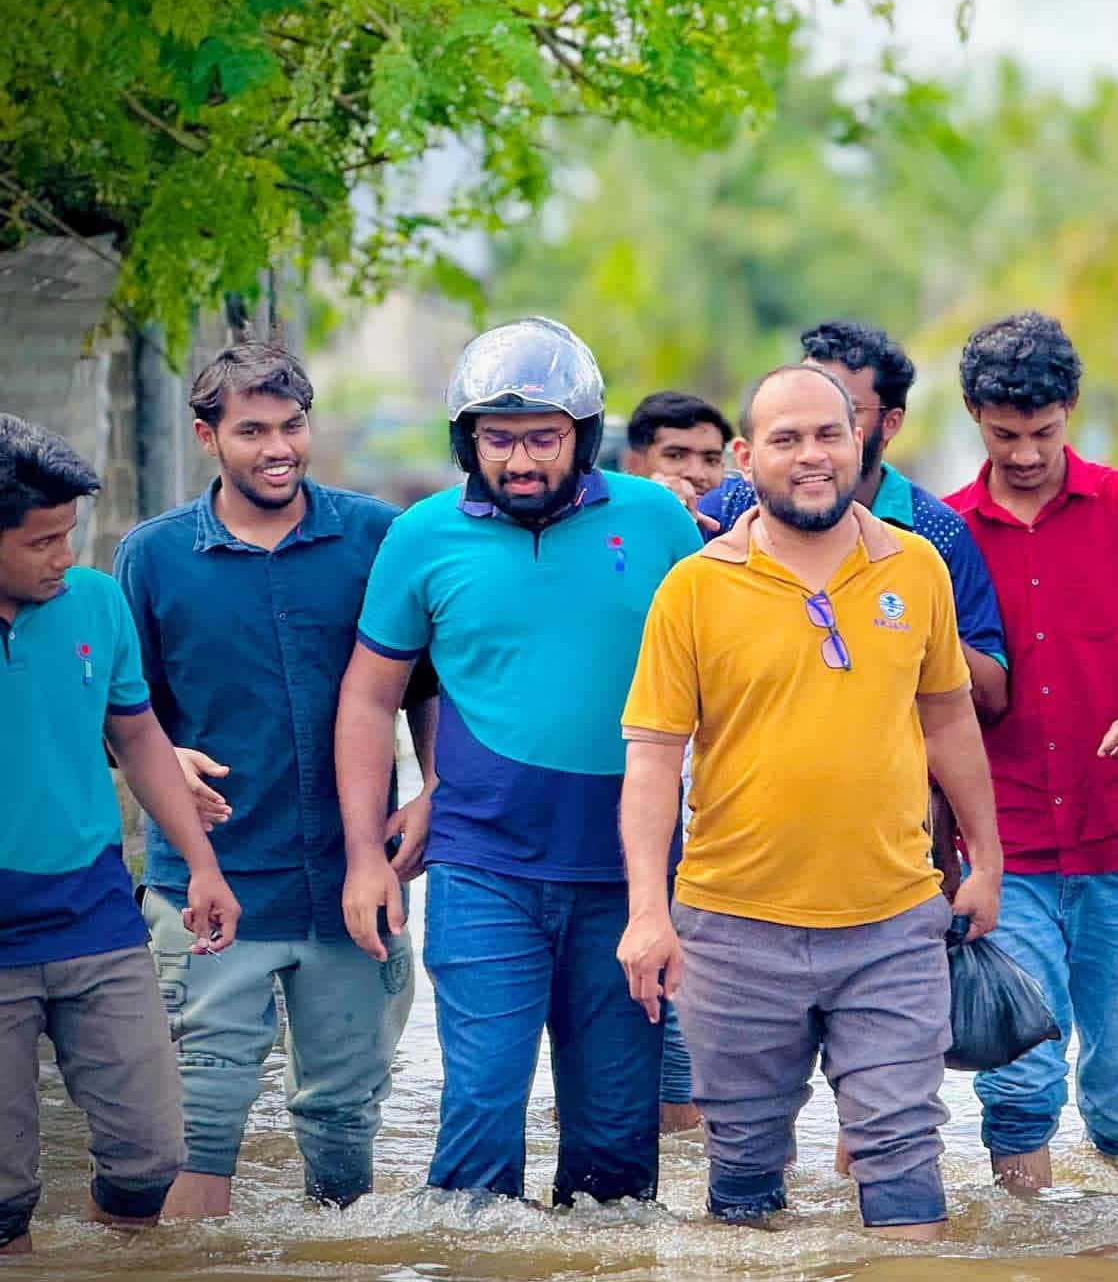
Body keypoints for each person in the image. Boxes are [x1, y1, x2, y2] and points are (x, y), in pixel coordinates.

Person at [616, 364, 1003, 1238]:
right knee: (744, 1177)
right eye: (785, 439)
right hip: (733, 928)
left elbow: (949, 719)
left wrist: (986, 860)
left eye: (828, 434)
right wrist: (647, 912)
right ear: (746, 457)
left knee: (903, 1162)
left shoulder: (917, 565)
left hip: (893, 921)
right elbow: (653, 759)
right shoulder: (694, 588)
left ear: (858, 440)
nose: (811, 455)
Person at [335, 318, 702, 1206]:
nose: (521, 460)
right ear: (467, 441)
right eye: (497, 439)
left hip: (629, 881)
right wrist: (363, 857)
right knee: (478, 1130)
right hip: (482, 869)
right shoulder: (422, 537)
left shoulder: (657, 521)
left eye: (544, 438)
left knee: (617, 1161)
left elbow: (722, 679)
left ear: (585, 435)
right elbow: (369, 698)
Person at [114, 343, 435, 1217]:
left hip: (352, 882)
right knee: (197, 1124)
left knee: (345, 1129)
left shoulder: (378, 538)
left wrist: (433, 787)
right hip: (208, 886)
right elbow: (121, 712)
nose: (279, 448)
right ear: (207, 437)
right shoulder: (152, 557)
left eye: (292, 426)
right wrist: (167, 758)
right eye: (252, 431)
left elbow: (426, 685)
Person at [942, 311, 1118, 1193]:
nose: (1027, 453)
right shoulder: (946, 532)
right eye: (1005, 434)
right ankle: (1027, 1251)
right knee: (1017, 1080)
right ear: (974, 414)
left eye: (1043, 432)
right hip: (1002, 848)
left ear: (1070, 409)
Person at [1, 415, 240, 1254]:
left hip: (95, 917)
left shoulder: (97, 603)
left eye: (70, 534)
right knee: (3, 1198)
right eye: (41, 542)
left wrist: (203, 865)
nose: (64, 555)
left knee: (150, 1160)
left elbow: (138, 737)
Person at [699, 321, 1008, 723]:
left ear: (889, 423)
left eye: (843, 410)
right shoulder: (725, 509)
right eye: (804, 395)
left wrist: (908, 615)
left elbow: (988, 697)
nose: (813, 442)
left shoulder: (934, 533)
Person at [622, 389, 737, 1134]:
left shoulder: (741, 547)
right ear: (636, 463)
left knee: (694, 1026)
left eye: (709, 458)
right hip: (620, 799)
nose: (694, 472)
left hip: (713, 818)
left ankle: (692, 1161)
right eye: (675, 456)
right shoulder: (606, 540)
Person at [623, 391, 733, 511]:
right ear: (634, 464)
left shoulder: (739, 516)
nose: (697, 474)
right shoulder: (611, 518)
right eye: (676, 456)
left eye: (711, 460)